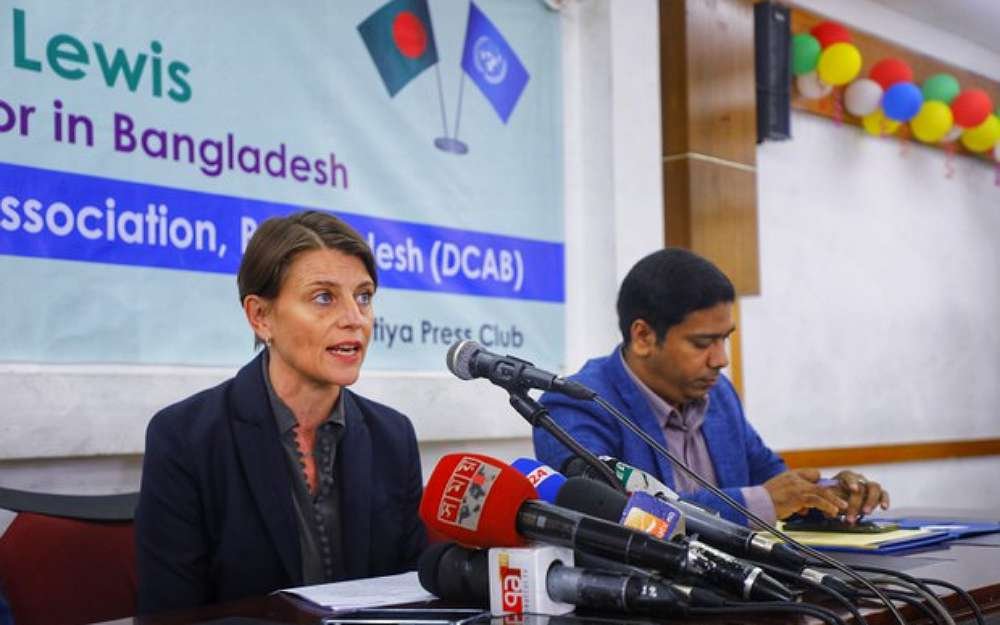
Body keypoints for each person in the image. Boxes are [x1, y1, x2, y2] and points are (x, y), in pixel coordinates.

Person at [136, 211, 427, 613]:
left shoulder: (393, 436)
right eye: (324, 297)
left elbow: (416, 595)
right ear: (260, 317)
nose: (355, 319)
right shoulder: (185, 438)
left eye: (363, 296)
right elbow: (171, 615)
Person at [533, 248, 889, 526]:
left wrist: (829, 496)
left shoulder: (717, 394)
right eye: (703, 343)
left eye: (724, 339)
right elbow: (618, 515)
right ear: (643, 337)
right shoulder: (576, 404)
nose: (721, 359)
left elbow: (771, 478)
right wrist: (761, 502)